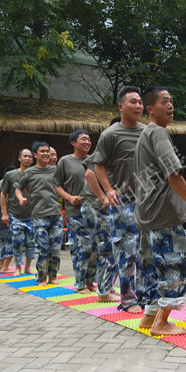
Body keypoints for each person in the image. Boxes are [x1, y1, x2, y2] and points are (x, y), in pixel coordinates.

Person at [134, 86, 186, 336]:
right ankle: (161, 323)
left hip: (149, 212)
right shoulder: (159, 134)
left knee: (155, 266)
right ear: (150, 109)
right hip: (163, 213)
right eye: (164, 101)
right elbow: (173, 174)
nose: (170, 106)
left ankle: (149, 316)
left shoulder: (146, 135)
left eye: (171, 101)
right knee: (177, 265)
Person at [94, 86, 146, 313]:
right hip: (123, 202)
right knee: (127, 251)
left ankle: (145, 297)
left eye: (140, 102)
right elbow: (98, 165)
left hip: (148, 202)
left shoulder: (148, 132)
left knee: (147, 252)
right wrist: (108, 190)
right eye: (133, 102)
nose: (138, 106)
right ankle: (128, 300)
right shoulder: (110, 134)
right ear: (121, 106)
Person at [15, 142, 63, 286]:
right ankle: (41, 277)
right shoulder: (29, 172)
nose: (46, 154)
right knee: (43, 247)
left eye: (48, 151)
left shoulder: (56, 170)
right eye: (42, 151)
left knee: (55, 249)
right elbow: (18, 188)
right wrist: (21, 198)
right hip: (39, 215)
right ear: (35, 155)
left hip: (56, 214)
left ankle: (53, 276)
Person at [53, 130, 95, 293]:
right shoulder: (65, 161)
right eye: (83, 139)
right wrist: (69, 198)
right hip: (75, 212)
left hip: (95, 212)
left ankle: (91, 282)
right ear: (73, 143)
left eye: (89, 139)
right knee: (81, 248)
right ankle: (79, 284)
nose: (87, 142)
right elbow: (56, 184)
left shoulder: (94, 161)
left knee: (95, 249)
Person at [82, 152, 120, 302]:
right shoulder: (104, 149)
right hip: (95, 208)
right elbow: (89, 174)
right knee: (107, 248)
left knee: (112, 247)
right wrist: (102, 197)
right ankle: (103, 292)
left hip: (107, 211)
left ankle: (107, 287)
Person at [1, 149, 35, 276]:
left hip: (32, 215)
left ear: (33, 159)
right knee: (17, 242)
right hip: (15, 214)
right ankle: (17, 268)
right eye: (25, 156)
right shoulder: (10, 175)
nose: (27, 158)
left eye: (30, 157)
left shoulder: (35, 173)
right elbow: (3, 194)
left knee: (31, 242)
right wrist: (4, 213)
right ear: (19, 158)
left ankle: (27, 267)